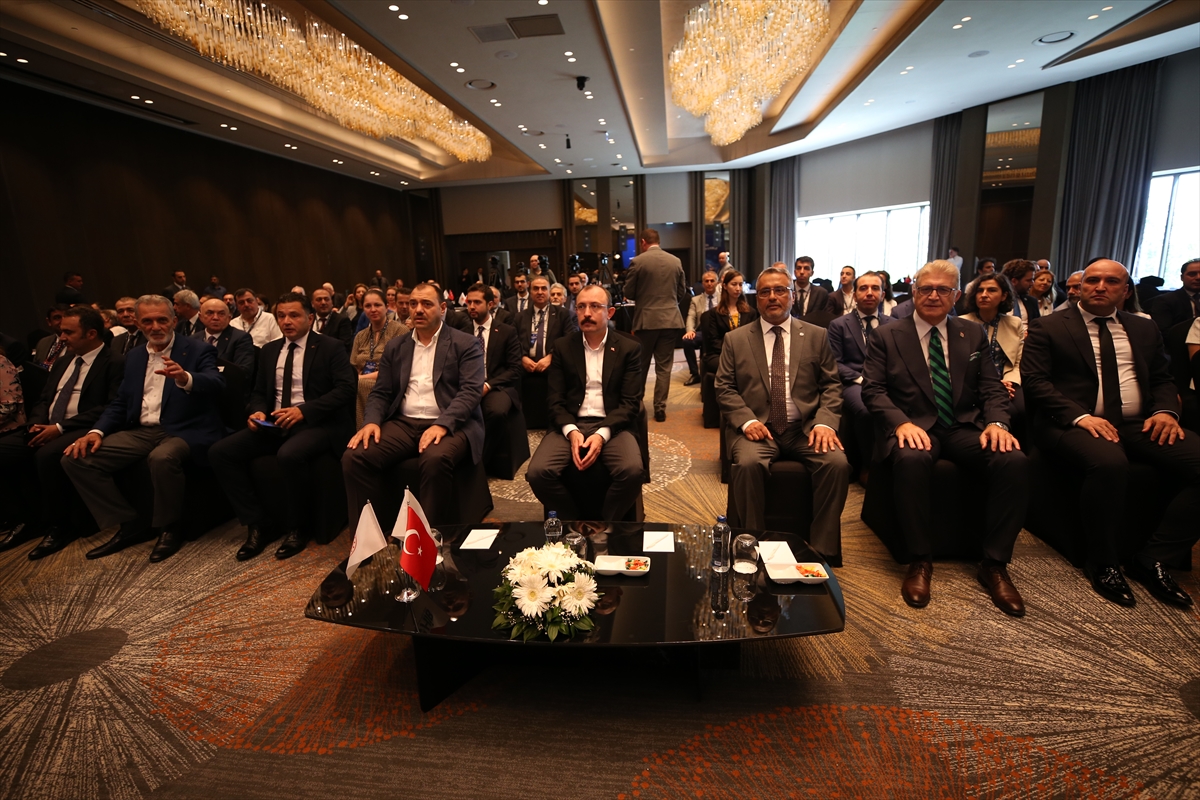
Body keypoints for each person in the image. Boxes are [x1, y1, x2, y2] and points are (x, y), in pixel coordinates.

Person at [1022, 259, 1199, 609]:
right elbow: (1036, 382)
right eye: (1092, 280)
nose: (1100, 287)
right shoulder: (1050, 326)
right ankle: (1103, 561)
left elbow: (1162, 380)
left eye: (1111, 281)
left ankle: (1154, 557)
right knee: (1110, 464)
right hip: (1070, 422)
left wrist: (1165, 411)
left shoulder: (1144, 328)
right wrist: (1080, 416)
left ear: (1126, 290)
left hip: (1138, 422)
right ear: (1081, 287)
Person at [861, 260, 1027, 616]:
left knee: (1013, 461)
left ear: (956, 295)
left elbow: (991, 387)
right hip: (913, 424)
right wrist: (900, 424)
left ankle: (994, 564)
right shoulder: (887, 335)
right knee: (911, 459)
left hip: (962, 426)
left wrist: (997, 423)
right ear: (914, 292)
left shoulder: (972, 333)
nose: (933, 296)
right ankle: (920, 559)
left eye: (942, 290)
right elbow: (873, 390)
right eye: (926, 289)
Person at [61, 295, 225, 563]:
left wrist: (185, 378)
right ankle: (131, 524)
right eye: (148, 321)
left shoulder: (197, 349)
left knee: (161, 458)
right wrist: (95, 432)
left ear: (174, 321)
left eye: (162, 320)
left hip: (185, 428)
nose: (156, 327)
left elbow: (217, 383)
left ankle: (169, 528)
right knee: (76, 459)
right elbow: (120, 402)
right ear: (137, 324)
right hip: (141, 430)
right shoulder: (134, 356)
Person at [714, 267, 850, 566]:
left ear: (792, 296)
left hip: (805, 428)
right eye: (765, 292)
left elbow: (831, 385)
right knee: (747, 464)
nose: (773, 297)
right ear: (757, 299)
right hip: (758, 428)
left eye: (780, 290)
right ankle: (752, 543)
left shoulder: (816, 336)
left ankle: (822, 550)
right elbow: (724, 387)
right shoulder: (736, 339)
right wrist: (747, 421)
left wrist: (825, 422)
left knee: (837, 464)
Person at [209, 292, 357, 561]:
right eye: (281, 315)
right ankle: (258, 523)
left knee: (289, 454)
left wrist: (304, 411)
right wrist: (256, 411)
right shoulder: (269, 350)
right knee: (220, 452)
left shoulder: (330, 347)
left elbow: (346, 389)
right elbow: (258, 392)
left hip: (318, 422)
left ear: (309, 318)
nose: (286, 321)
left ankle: (298, 527)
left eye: (294, 315)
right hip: (275, 422)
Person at [342, 282, 485, 531]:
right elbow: (381, 392)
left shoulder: (465, 343)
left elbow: (470, 392)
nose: (418, 309)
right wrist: (371, 421)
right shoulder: (397, 346)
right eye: (413, 304)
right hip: (404, 423)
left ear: (442, 308)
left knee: (434, 459)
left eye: (426, 304)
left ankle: (427, 538)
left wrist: (443, 424)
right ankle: (369, 536)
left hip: (452, 422)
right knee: (355, 457)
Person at [0, 307, 124, 559]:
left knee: (46, 455)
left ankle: (62, 526)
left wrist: (59, 428)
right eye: (61, 332)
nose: (62, 338)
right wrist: (36, 423)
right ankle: (27, 519)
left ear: (91, 333)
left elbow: (110, 406)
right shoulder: (64, 361)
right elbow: (44, 399)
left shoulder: (115, 362)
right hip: (47, 425)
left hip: (82, 427)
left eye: (68, 332)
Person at [526, 284, 644, 520]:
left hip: (613, 424)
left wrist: (601, 435)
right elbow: (555, 400)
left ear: (610, 312)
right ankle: (575, 522)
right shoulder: (563, 347)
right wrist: (571, 431)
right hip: (571, 422)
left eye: (595, 306)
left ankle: (605, 525)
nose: (587, 313)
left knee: (632, 472)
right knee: (538, 473)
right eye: (581, 307)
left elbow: (630, 403)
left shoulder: (629, 348)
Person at [827, 271, 894, 484]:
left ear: (883, 294)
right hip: (853, 383)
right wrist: (861, 379)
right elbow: (834, 363)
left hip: (887, 382)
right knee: (867, 410)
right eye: (863, 288)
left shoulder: (894, 324)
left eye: (875, 288)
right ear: (854, 295)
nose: (869, 293)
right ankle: (868, 464)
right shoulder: (839, 325)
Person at [624, 228, 687, 423]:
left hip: (646, 322)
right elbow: (681, 291)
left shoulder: (638, 262)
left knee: (641, 365)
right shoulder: (675, 261)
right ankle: (660, 408)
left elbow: (629, 292)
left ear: (643, 242)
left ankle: (638, 405)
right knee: (664, 367)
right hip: (670, 320)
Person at [463, 283, 524, 468]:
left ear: (490, 304)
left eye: (477, 302)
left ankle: (479, 462)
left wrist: (488, 385)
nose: (471, 306)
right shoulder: (462, 332)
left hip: (497, 385)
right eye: (469, 302)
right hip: (467, 385)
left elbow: (515, 369)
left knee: (496, 412)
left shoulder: (506, 331)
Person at [960, 273, 1024, 422]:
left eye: (991, 290)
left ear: (1004, 296)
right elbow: (960, 365)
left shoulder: (1014, 323)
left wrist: (1008, 382)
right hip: (974, 384)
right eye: (980, 290)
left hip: (1008, 380)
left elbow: (1018, 362)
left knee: (1023, 409)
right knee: (1008, 411)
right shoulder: (961, 323)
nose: (984, 295)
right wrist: (995, 386)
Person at [350, 289, 408, 427]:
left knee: (362, 386)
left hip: (387, 383)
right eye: (368, 306)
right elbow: (353, 365)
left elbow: (396, 369)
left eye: (377, 305)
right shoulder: (360, 335)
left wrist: (360, 379)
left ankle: (366, 428)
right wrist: (356, 378)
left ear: (386, 306)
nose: (373, 309)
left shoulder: (400, 331)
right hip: (359, 380)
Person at [701, 270, 758, 375]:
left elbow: (753, 339)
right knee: (732, 365)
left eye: (740, 284)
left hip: (744, 353)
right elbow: (714, 341)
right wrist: (732, 352)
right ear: (725, 286)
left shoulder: (750, 312)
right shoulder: (714, 313)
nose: (738, 288)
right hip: (719, 354)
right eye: (734, 284)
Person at [516, 276, 573, 376]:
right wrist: (522, 358)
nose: (540, 292)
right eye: (536, 289)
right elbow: (513, 342)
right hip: (526, 370)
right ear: (530, 292)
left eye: (544, 288)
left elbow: (569, 340)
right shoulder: (520, 316)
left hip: (554, 368)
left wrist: (551, 356)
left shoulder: (562, 314)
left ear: (549, 292)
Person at [193, 297, 256, 382]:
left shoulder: (241, 338)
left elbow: (243, 373)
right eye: (210, 313)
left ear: (229, 318)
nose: (215, 317)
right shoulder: (193, 339)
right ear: (200, 317)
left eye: (221, 314)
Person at [683, 270, 719, 386]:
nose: (709, 283)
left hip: (720, 332)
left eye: (712, 281)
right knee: (687, 340)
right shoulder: (696, 300)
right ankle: (695, 374)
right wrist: (690, 330)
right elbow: (691, 317)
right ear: (703, 283)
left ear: (717, 283)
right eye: (706, 281)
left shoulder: (723, 298)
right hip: (703, 332)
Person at [1147, 258, 1200, 332]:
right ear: (1182, 277)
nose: (1198, 277)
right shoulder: (1165, 301)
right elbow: (1163, 332)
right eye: (1192, 274)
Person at [311, 287, 353, 353]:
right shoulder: (308, 319)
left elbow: (344, 346)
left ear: (332, 302)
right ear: (312, 304)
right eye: (319, 300)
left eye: (326, 299)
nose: (323, 302)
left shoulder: (342, 320)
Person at [1001, 259, 1039, 325]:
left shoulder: (1032, 302)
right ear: (1014, 281)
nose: (1032, 284)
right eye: (1028, 280)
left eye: (1033, 280)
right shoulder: (998, 301)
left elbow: (1037, 326)